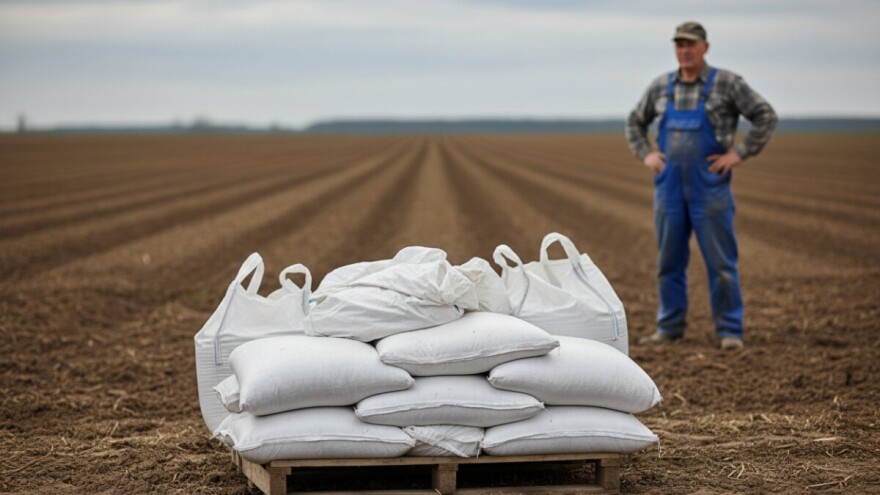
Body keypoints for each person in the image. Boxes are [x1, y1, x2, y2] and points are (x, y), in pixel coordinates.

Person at [625, 21, 777, 351]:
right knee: (669, 262)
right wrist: (647, 154)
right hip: (669, 190)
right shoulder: (661, 87)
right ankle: (669, 328)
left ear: (705, 47)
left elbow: (765, 115)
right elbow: (635, 121)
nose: (685, 50)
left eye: (691, 44)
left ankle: (729, 331)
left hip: (710, 189)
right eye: (679, 44)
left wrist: (738, 154)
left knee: (721, 263)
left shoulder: (726, 84)